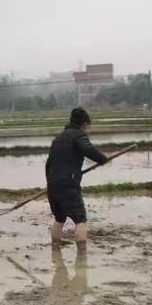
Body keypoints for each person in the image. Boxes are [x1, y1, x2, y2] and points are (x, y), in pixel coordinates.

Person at [45, 108, 107, 251]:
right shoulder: (78, 135)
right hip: (68, 184)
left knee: (59, 219)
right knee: (80, 220)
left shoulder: (58, 138)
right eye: (87, 125)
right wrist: (102, 159)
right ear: (84, 123)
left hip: (53, 184)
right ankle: (82, 257)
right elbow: (88, 149)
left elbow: (48, 164)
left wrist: (51, 182)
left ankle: (55, 249)